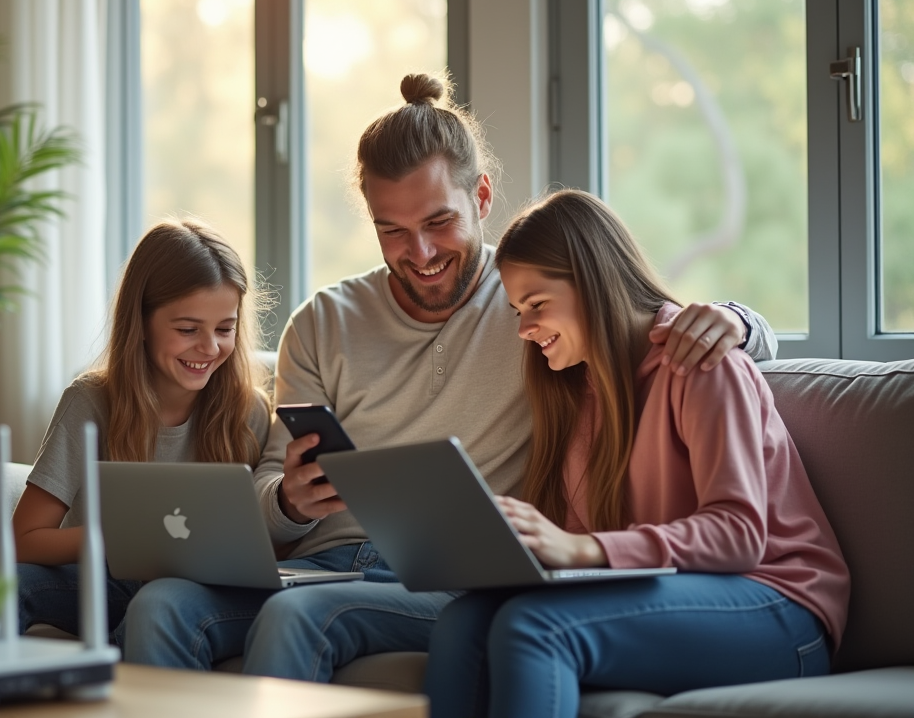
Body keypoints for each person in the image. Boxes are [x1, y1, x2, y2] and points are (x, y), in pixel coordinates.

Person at [122, 73, 778, 679]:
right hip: (322, 563)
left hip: (456, 573)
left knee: (299, 617)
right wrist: (289, 501)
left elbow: (634, 320)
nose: (421, 252)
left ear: (482, 196)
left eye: (439, 222)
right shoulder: (322, 320)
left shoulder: (534, 305)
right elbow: (270, 485)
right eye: (393, 231)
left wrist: (739, 320)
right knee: (161, 604)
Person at [423, 189, 849, 717]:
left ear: (594, 282)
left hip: (779, 604)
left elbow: (738, 534)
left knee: (534, 627)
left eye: (537, 305)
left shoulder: (701, 365)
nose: (525, 330)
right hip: (676, 592)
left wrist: (583, 550)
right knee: (463, 623)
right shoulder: (577, 393)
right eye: (516, 310)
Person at [13, 219, 271, 643]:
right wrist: (123, 538)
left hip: (195, 594)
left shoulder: (249, 412)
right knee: (10, 586)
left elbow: (265, 541)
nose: (209, 348)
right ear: (142, 322)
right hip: (105, 579)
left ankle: (117, 674)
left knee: (155, 607)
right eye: (187, 330)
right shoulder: (91, 401)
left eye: (225, 329)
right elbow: (24, 540)